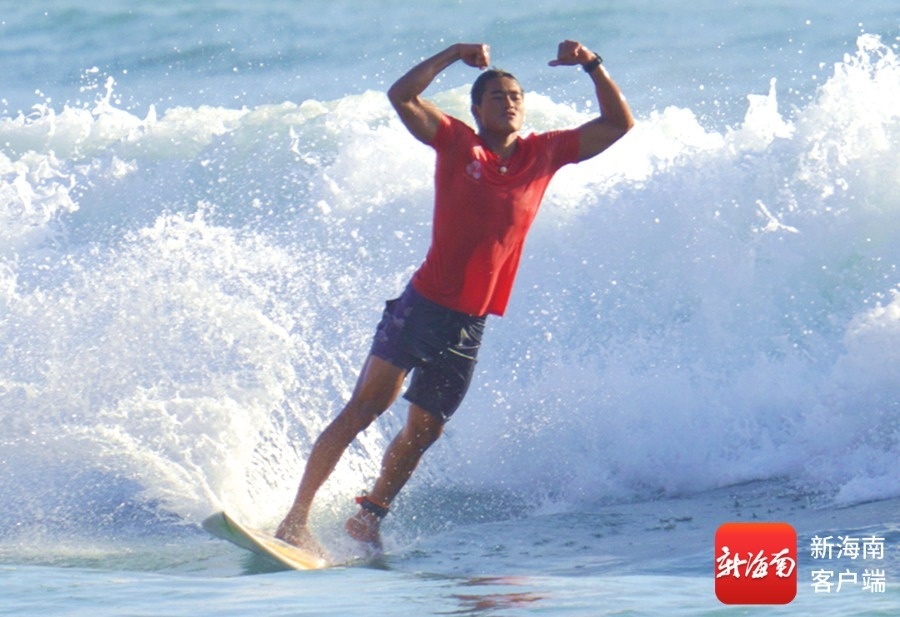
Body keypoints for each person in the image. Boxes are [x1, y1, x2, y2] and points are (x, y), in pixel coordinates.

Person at [276, 40, 634, 553]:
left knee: (426, 431)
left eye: (515, 96)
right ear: (476, 109)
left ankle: (369, 517)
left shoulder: (544, 153)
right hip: (422, 306)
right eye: (496, 96)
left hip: (470, 322)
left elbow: (618, 124)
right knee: (366, 408)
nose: (508, 103)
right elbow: (401, 96)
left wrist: (593, 66)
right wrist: (452, 54)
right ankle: (296, 519)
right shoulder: (457, 142)